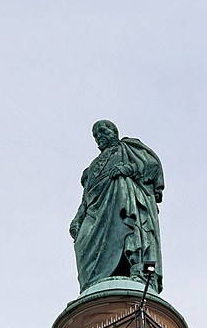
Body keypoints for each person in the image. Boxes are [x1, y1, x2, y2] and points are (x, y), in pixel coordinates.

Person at [70, 120, 164, 293]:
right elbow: (85, 198)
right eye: (95, 135)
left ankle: (137, 270)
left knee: (126, 227)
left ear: (114, 131)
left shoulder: (128, 147)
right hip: (94, 210)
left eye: (102, 131)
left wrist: (128, 168)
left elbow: (151, 165)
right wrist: (78, 218)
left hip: (119, 200)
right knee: (81, 241)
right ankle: (92, 288)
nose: (99, 137)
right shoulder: (91, 168)